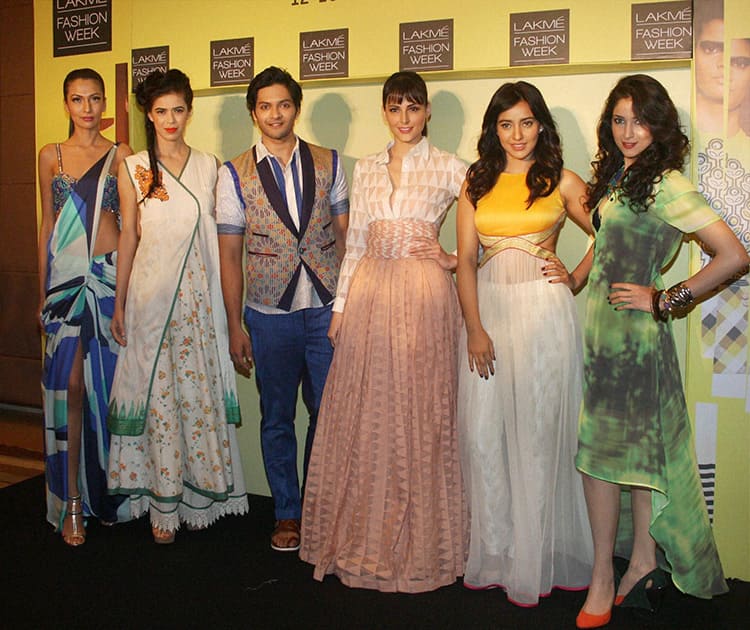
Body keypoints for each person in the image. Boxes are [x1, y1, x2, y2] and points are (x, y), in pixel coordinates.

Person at [575, 74, 747, 629]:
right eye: (619, 120)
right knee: (622, 459)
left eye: (640, 120)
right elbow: (605, 245)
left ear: (660, 124)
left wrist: (665, 298)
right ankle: (640, 564)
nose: (629, 131)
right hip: (601, 340)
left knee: (608, 461)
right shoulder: (619, 175)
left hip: (637, 343)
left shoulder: (668, 183)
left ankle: (607, 574)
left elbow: (733, 254)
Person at [300, 71, 467, 592]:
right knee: (367, 414)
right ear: (384, 112)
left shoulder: (452, 167)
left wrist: (453, 258)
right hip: (370, 295)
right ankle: (361, 534)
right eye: (395, 108)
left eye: (413, 108)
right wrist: (340, 310)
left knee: (421, 412)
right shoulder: (366, 168)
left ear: (427, 112)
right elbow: (354, 246)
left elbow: (492, 225)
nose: (404, 119)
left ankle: (422, 542)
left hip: (424, 298)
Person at [455, 81, 594, 606]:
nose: (517, 134)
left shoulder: (560, 180)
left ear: (542, 125)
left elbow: (612, 231)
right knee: (485, 435)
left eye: (527, 122)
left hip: (543, 315)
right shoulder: (477, 181)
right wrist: (473, 327)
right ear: (495, 128)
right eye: (506, 123)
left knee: (538, 436)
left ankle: (537, 554)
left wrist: (576, 276)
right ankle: (499, 550)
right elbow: (465, 259)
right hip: (487, 316)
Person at [107, 69, 248, 544]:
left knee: (194, 397)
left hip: (197, 303)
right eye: (161, 111)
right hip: (152, 300)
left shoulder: (211, 166)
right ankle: (160, 505)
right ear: (149, 113)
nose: (171, 120)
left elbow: (219, 236)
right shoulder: (138, 168)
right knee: (160, 400)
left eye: (179, 110)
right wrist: (120, 301)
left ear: (191, 110)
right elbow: (130, 235)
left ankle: (198, 496)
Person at [216, 66, 349, 552]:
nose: (276, 113)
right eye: (266, 106)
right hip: (268, 313)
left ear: (297, 107)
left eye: (284, 104)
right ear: (254, 113)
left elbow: (344, 237)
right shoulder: (232, 174)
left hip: (324, 307)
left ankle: (315, 504)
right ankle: (287, 513)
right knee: (276, 417)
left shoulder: (329, 161)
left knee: (327, 412)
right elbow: (230, 255)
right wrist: (235, 325)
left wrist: (348, 302)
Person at [38, 68, 132, 545]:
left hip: (109, 278)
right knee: (70, 387)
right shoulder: (50, 155)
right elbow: (47, 226)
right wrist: (42, 291)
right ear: (67, 103)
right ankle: (71, 500)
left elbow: (140, 222)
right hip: (65, 282)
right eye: (78, 99)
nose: (89, 108)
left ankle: (107, 494)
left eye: (95, 98)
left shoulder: (123, 155)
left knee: (108, 391)